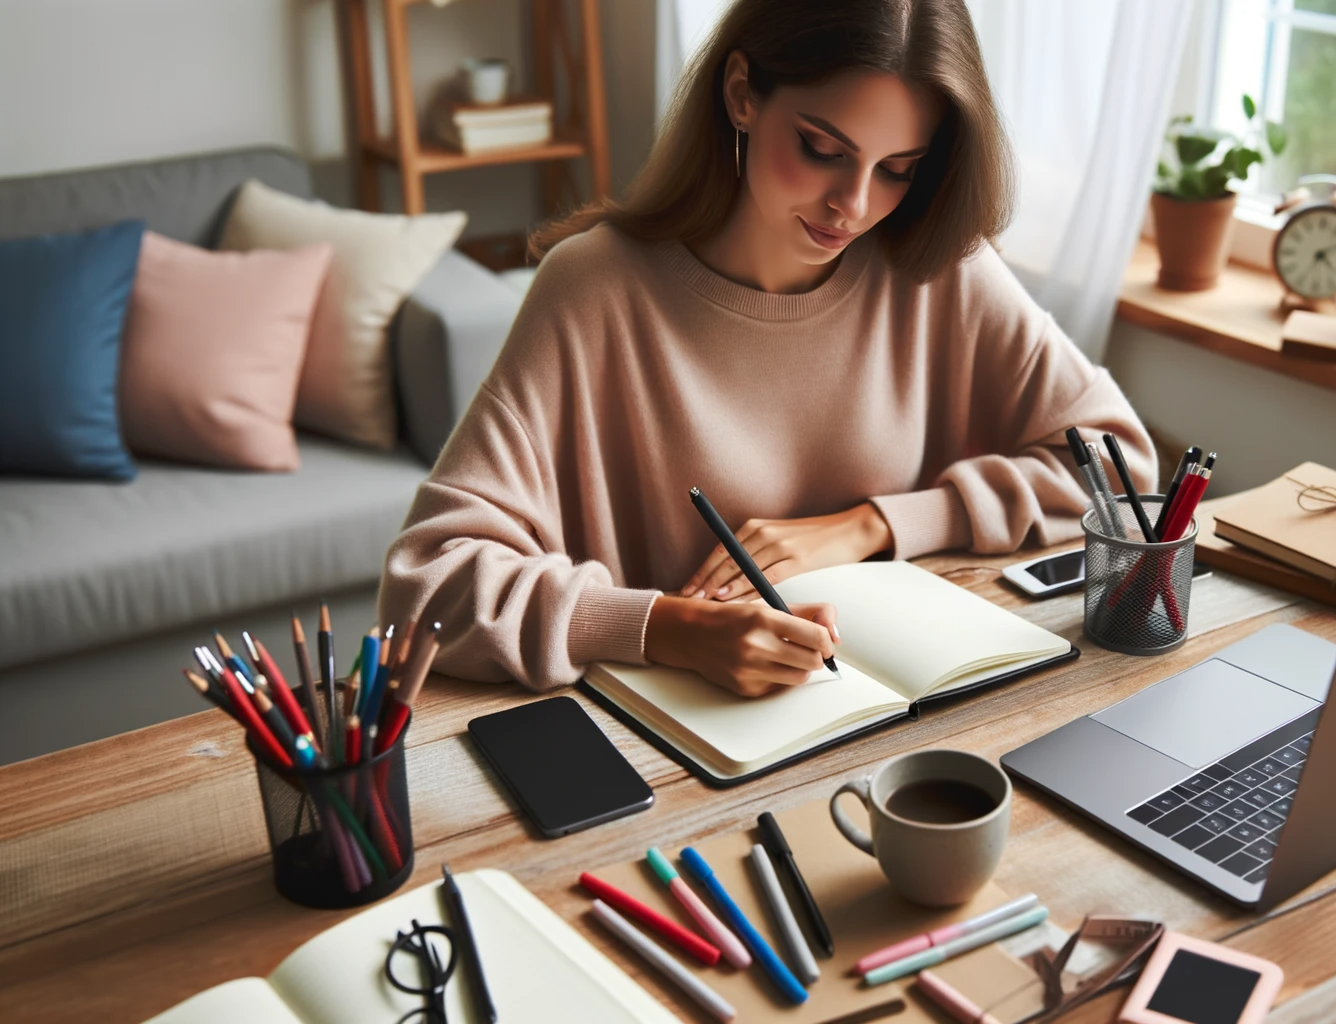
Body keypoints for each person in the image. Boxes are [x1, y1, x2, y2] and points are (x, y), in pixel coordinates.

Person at [378, 0, 1153, 696]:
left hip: (903, 724)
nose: (852, 206)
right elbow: (426, 583)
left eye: (898, 171)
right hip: (673, 754)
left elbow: (1121, 467)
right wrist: (666, 627)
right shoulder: (594, 288)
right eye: (822, 148)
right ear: (742, 93)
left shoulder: (937, 269)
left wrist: (874, 525)